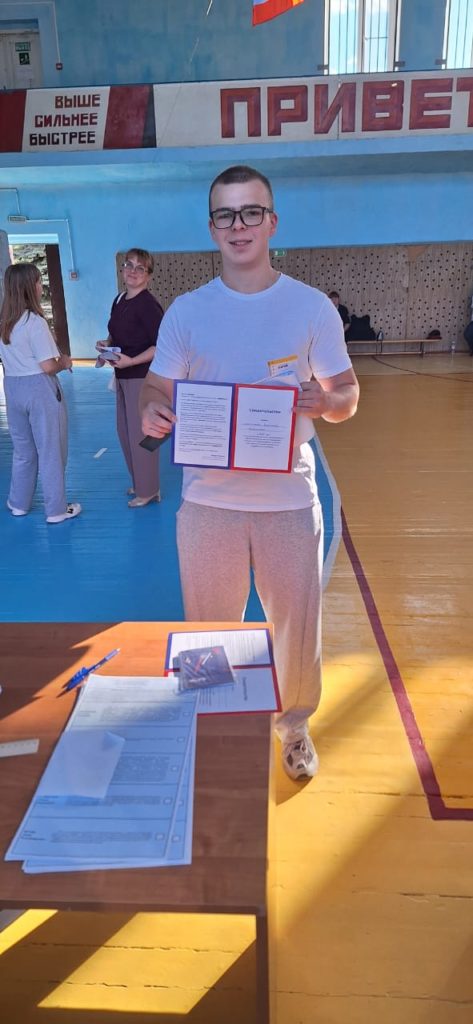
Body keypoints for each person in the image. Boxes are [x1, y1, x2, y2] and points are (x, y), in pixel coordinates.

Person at [140, 165, 359, 781]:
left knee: (296, 627)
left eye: (251, 212)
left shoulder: (310, 307)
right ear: (212, 227)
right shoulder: (187, 313)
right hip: (208, 503)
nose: (239, 225)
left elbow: (347, 394)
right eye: (226, 214)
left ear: (272, 222)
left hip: (287, 500)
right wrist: (152, 407)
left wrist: (327, 402)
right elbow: (156, 388)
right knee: (208, 627)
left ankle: (294, 727)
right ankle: (212, 724)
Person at [0, 263, 81, 524]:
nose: (40, 285)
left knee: (23, 450)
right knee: (51, 449)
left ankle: (18, 503)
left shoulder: (4, 322)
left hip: (13, 388)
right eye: (37, 281)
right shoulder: (34, 323)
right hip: (39, 390)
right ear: (28, 287)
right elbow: (48, 366)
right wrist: (64, 362)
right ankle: (56, 509)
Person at [96, 248, 164, 507]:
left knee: (141, 434)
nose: (133, 271)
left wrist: (132, 361)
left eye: (140, 268)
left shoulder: (148, 305)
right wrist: (107, 344)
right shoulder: (119, 299)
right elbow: (117, 334)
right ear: (122, 269)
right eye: (129, 265)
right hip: (122, 375)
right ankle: (139, 482)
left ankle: (149, 490)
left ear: (148, 275)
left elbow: (160, 346)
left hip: (141, 377)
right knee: (124, 432)